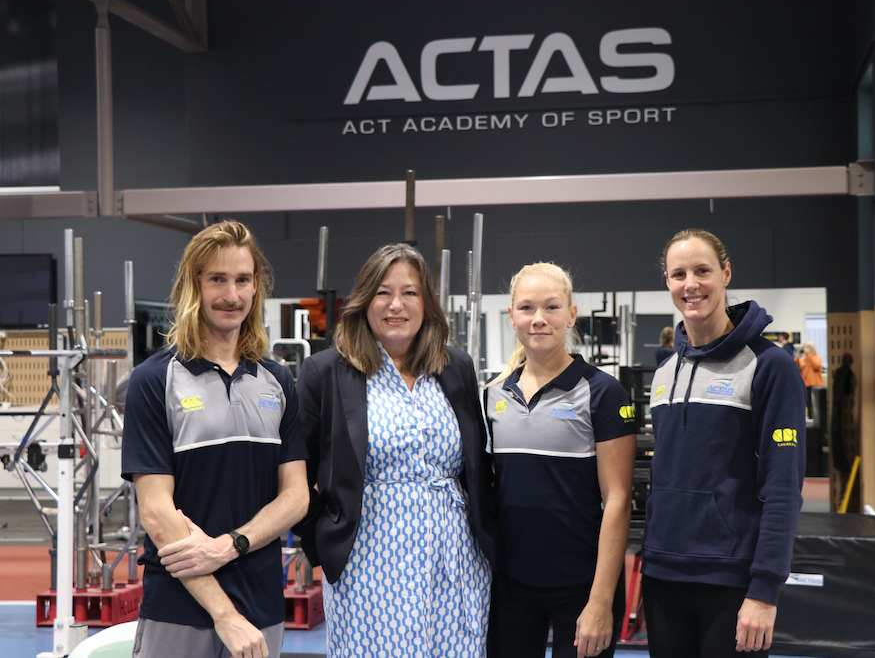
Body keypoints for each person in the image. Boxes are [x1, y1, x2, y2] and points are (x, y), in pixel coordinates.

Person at [294, 243, 497, 658]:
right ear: (364, 301)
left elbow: (474, 466)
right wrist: (321, 541)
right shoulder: (326, 372)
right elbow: (295, 471)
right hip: (368, 561)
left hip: (456, 559)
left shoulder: (455, 367)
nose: (396, 305)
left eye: (410, 292)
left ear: (426, 304)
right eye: (383, 292)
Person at [121, 220, 310, 658]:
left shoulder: (277, 381)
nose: (232, 295)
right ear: (194, 286)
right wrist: (225, 616)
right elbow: (156, 513)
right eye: (217, 280)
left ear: (257, 286)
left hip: (262, 604)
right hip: (179, 607)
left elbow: (296, 497)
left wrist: (229, 546)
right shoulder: (154, 381)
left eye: (242, 280)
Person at [642, 229, 805, 657]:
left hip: (731, 583)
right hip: (662, 576)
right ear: (667, 282)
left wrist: (765, 589)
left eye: (702, 271)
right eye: (679, 274)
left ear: (726, 273)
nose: (691, 284)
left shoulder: (771, 367)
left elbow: (783, 488)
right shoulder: (664, 373)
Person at [485, 262, 636, 658]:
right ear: (511, 318)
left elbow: (617, 499)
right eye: (527, 308)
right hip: (511, 588)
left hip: (581, 588)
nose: (539, 319)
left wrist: (601, 601)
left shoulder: (603, 393)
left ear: (571, 315)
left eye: (551, 308)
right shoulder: (494, 395)